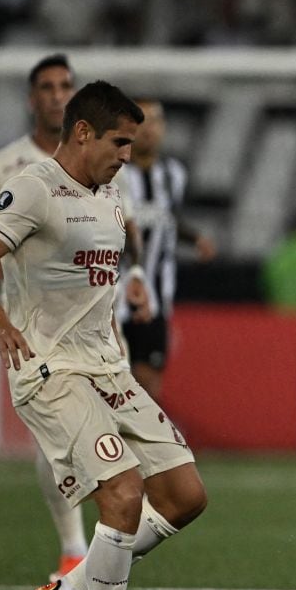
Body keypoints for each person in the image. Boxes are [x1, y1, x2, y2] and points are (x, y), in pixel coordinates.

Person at [0, 81, 207, 590]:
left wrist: (133, 281)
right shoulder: (34, 189)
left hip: (106, 365)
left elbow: (109, 259)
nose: (128, 155)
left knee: (184, 495)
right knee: (122, 492)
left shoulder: (110, 191)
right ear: (84, 132)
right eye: (120, 142)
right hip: (50, 370)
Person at [0, 53, 151, 583]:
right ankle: (73, 551)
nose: (57, 94)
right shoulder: (7, 169)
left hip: (100, 330)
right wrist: (3, 308)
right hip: (42, 334)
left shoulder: (109, 165)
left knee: (143, 467)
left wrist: (136, 278)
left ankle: (88, 575)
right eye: (47, 86)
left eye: (65, 85)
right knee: (68, 442)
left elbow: (126, 235)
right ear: (32, 99)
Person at [115, 97, 218, 402]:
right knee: (113, 383)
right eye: (141, 122)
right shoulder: (113, 173)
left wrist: (195, 238)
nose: (149, 129)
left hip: (157, 294)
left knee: (148, 384)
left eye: (155, 121)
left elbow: (168, 218)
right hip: (113, 294)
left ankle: (136, 434)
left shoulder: (174, 174)